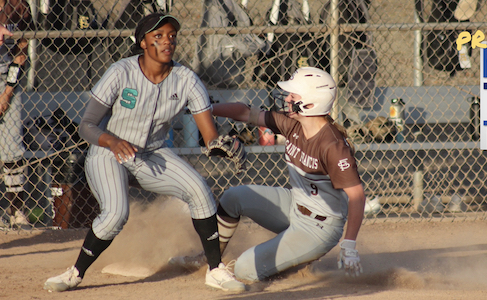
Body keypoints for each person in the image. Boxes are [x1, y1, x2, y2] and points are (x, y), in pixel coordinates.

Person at [43, 13, 246, 293]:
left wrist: (220, 145)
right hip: (108, 152)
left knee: (200, 189)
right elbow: (86, 126)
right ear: (143, 42)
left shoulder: (186, 79)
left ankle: (215, 270)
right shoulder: (121, 71)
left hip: (152, 155)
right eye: (158, 36)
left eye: (171, 36)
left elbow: (210, 136)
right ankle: (75, 273)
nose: (167, 41)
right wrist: (111, 142)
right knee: (116, 215)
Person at [170, 66, 367, 281]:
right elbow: (246, 112)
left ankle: (299, 263)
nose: (287, 98)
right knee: (233, 197)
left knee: (245, 269)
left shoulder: (333, 145)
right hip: (295, 205)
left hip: (320, 227)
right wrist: (203, 108)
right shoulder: (293, 124)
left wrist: (349, 244)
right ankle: (208, 258)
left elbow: (357, 195)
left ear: (311, 103)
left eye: (294, 94)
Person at [0, 0, 34, 229]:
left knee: (11, 148)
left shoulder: (18, 6)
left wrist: (6, 94)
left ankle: (16, 212)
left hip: (6, 79)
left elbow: (21, 53)